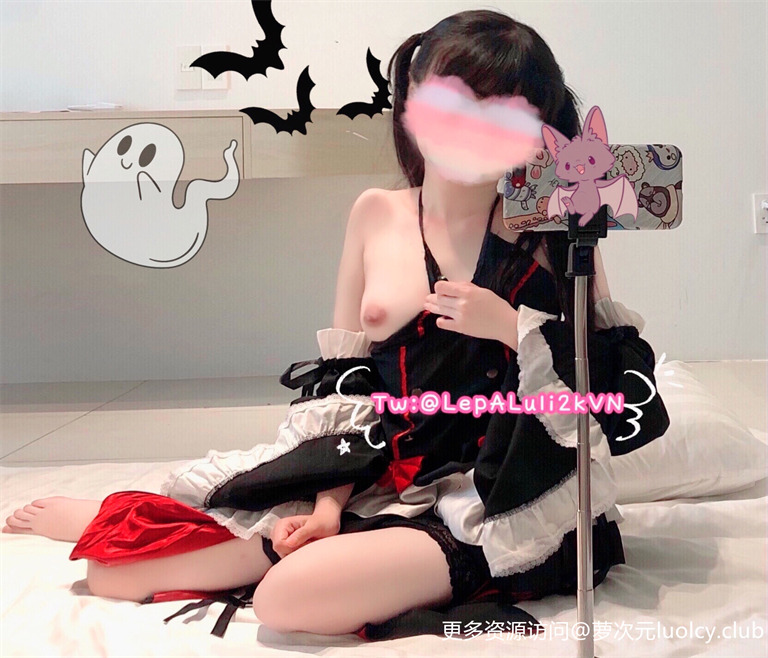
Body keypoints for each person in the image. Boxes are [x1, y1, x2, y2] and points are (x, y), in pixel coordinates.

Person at [3, 9, 669, 641]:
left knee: (287, 601)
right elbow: (347, 385)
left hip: (502, 491)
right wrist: (326, 506)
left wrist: (511, 330)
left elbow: (613, 393)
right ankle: (296, 539)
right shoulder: (375, 212)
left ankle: (325, 561)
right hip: (384, 471)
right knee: (114, 573)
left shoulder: (560, 224)